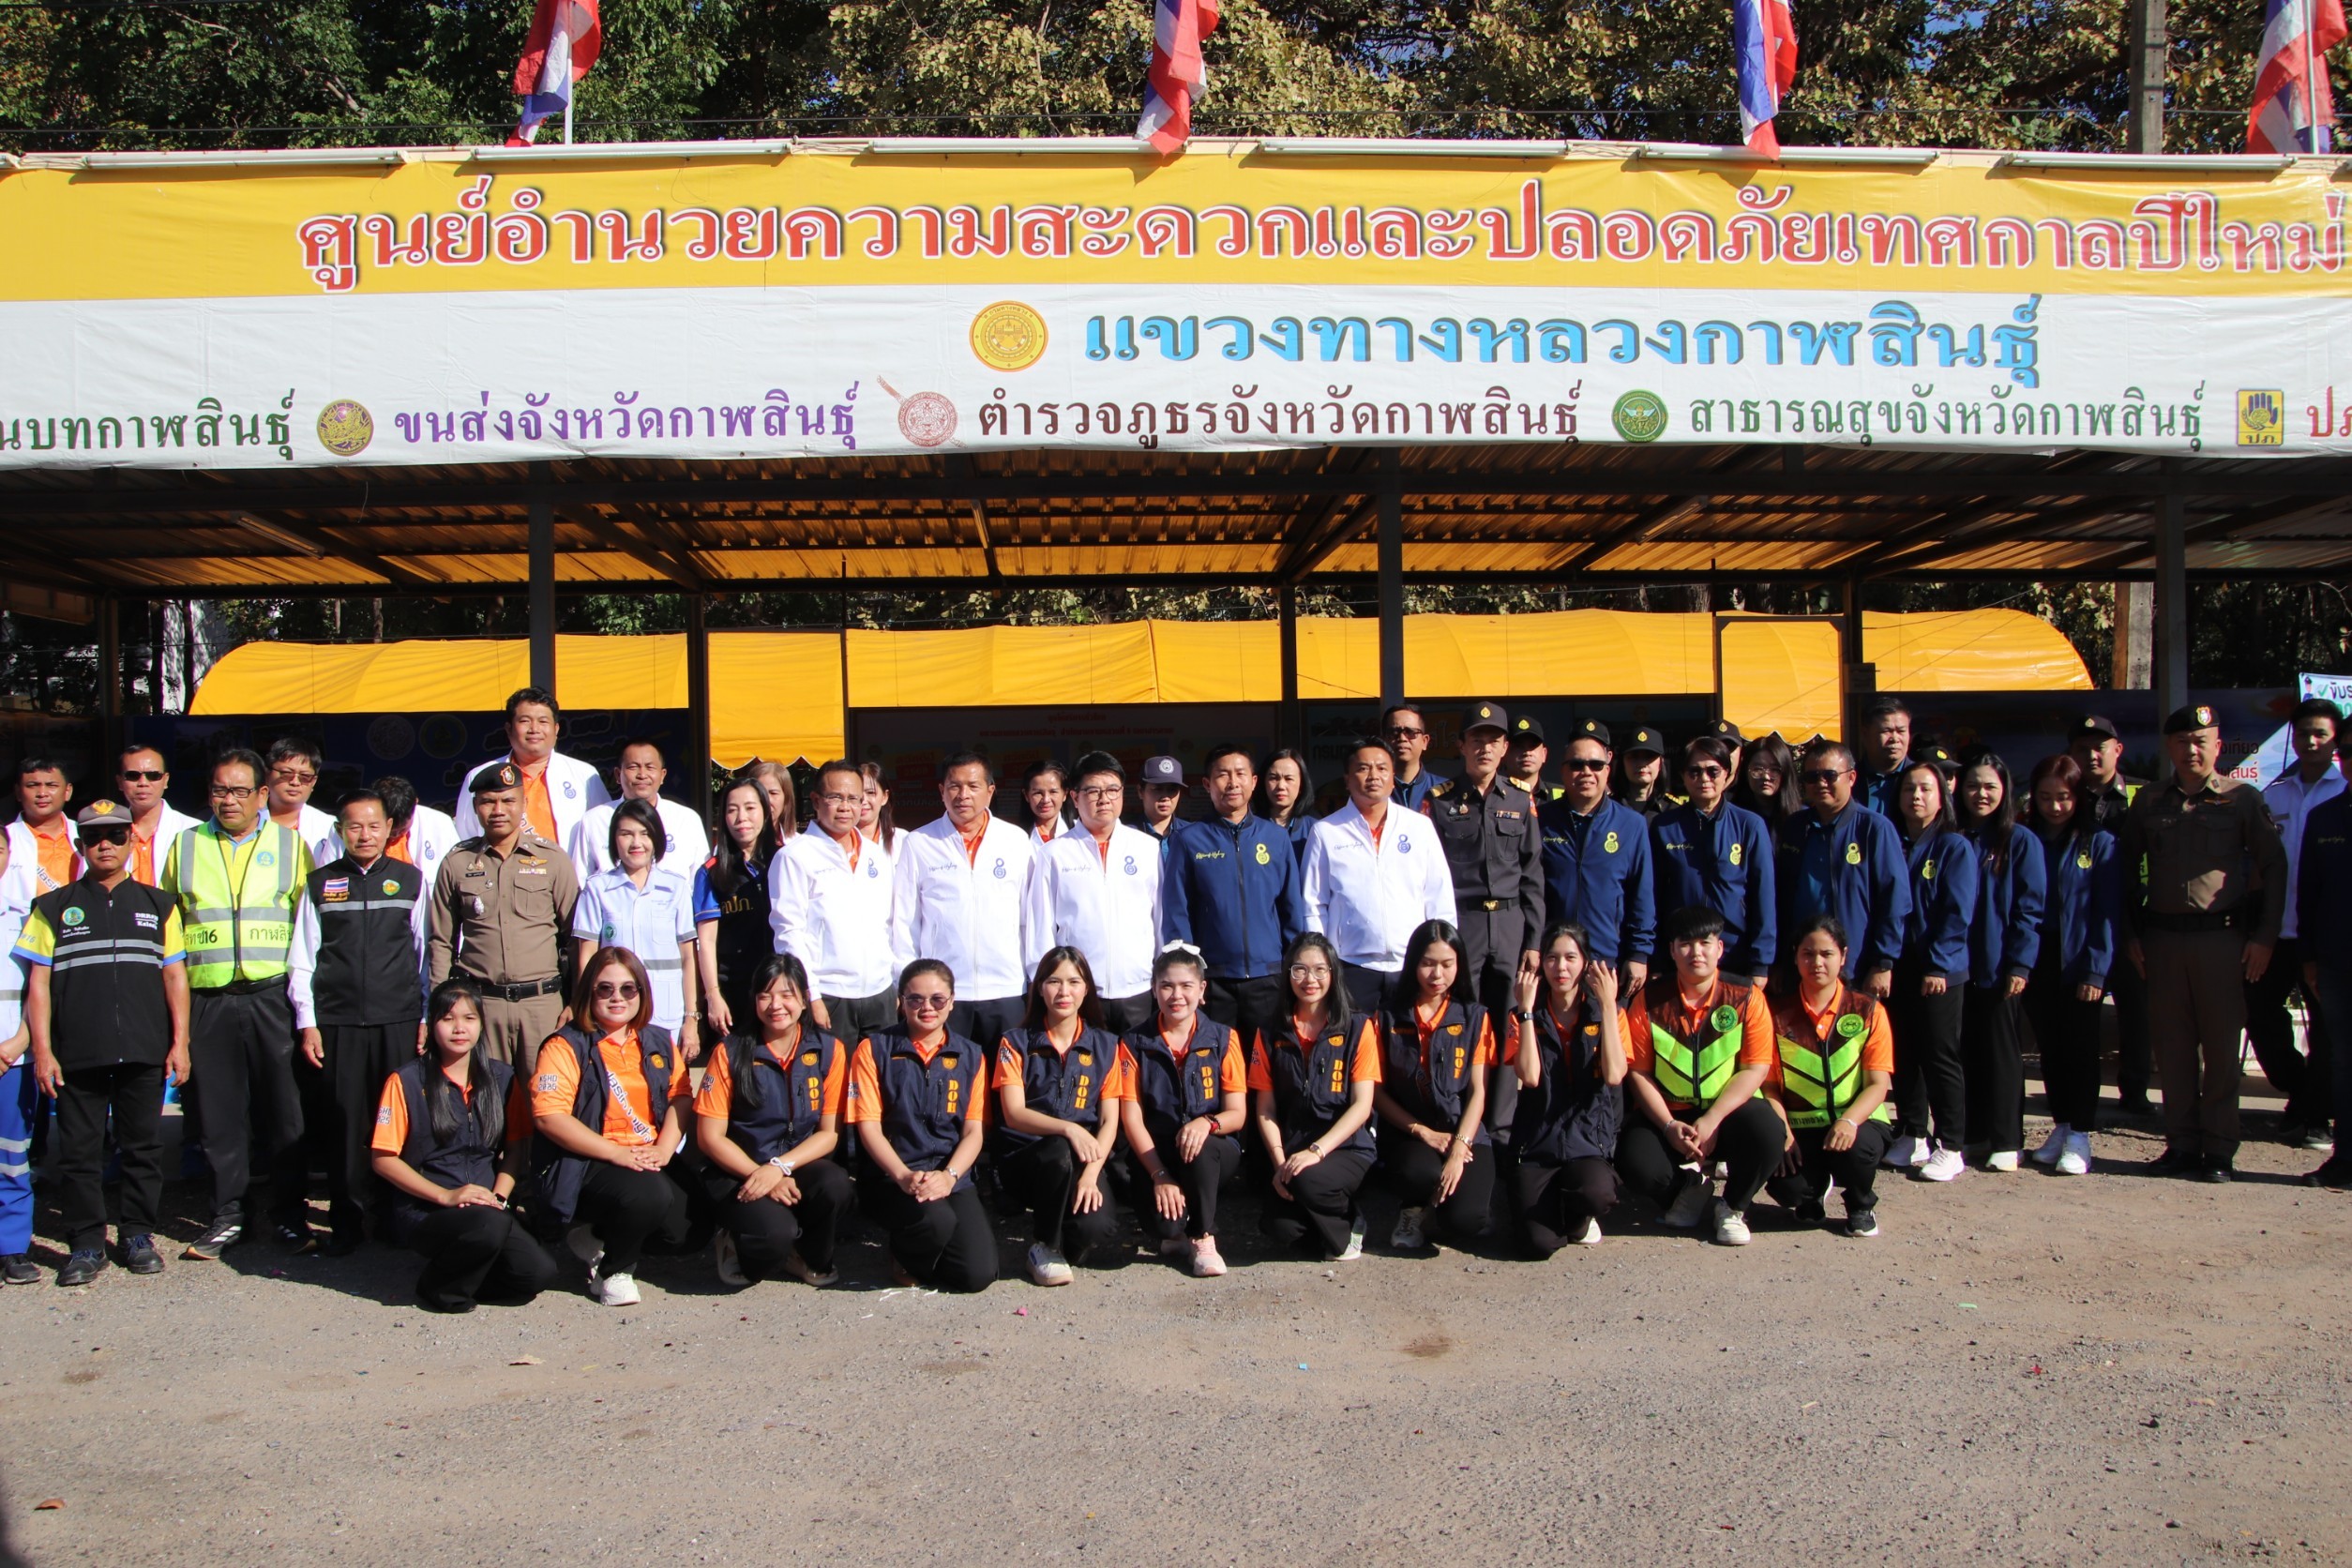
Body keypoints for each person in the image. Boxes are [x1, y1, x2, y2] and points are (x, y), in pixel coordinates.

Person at [15, 801, 189, 1285]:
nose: (105, 845)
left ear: (132, 840)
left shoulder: (160, 904)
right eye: (94, 838)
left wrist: (180, 1043)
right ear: (80, 846)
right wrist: (43, 1051)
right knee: (79, 1154)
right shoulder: (51, 907)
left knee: (142, 1148)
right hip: (77, 1052)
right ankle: (86, 1243)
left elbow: (175, 977)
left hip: (143, 1047)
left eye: (115, 836)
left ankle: (137, 1235)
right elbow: (39, 985)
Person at [2119, 704, 2287, 1182]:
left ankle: (2218, 1149)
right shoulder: (2149, 801)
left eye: (2200, 741)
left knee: (2220, 1050)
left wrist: (2265, 937)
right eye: (2182, 742)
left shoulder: (2243, 799)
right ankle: (2181, 1144)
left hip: (2222, 941)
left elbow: (2274, 866)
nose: (2191, 750)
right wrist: (2131, 933)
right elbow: (2124, 869)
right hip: (2162, 941)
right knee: (2172, 1050)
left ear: (2217, 746)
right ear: (2169, 747)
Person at [163, 746, 314, 1259]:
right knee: (219, 1115)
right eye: (219, 790)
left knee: (285, 1114)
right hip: (208, 997)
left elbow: (307, 926)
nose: (229, 800)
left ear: (262, 795)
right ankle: (228, 1215)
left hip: (272, 996)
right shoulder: (186, 845)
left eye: (240, 791)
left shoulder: (291, 846)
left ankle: (289, 1215)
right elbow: (170, 926)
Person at [287, 786, 431, 1254]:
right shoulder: (320, 883)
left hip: (398, 1020)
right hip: (339, 1022)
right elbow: (303, 958)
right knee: (346, 1124)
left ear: (390, 828)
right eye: (354, 827)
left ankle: (395, 1217)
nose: (365, 835)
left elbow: (425, 955)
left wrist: (425, 1015)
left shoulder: (411, 880)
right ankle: (347, 1221)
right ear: (340, 830)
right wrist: (308, 1022)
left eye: (374, 826)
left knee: (397, 1122)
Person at [369, 978, 557, 1313]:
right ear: (432, 1025)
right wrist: (446, 1196)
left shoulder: (502, 1078)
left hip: (487, 1209)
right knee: (488, 1228)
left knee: (537, 1274)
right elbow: (383, 1158)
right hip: (427, 1209)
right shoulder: (406, 1081)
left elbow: (516, 1148)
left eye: (469, 1018)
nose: (459, 1028)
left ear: (481, 1024)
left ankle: (465, 1271)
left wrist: (499, 1198)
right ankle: (438, 1288)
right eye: (448, 1018)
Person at [531, 945, 695, 1306]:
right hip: (587, 1159)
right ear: (588, 993)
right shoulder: (565, 1045)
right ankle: (614, 1272)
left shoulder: (657, 1039)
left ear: (641, 993)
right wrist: (617, 1154)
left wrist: (664, 1149)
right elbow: (549, 1116)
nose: (617, 997)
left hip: (645, 1153)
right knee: (649, 1196)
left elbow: (681, 1097)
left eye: (627, 988)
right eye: (604, 989)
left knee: (688, 1229)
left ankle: (597, 1237)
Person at [1617, 904, 1784, 1246]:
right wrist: (1668, 1126)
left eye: (1705, 943)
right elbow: (1639, 1073)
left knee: (1769, 1131)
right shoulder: (1649, 999)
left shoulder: (1747, 997)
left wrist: (1713, 1118)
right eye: (1686, 944)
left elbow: (1756, 1068)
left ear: (1719, 948)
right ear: (1672, 950)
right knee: (1634, 1160)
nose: (1696, 952)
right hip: (1671, 1114)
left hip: (1729, 1113)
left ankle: (1733, 1206)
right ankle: (1688, 1190)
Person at [693, 953, 852, 1289]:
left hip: (793, 1164)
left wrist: (779, 1167)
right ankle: (733, 1241)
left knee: (836, 1184)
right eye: (765, 995)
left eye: (786, 995)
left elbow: (829, 1134)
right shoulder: (730, 1051)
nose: (776, 1005)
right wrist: (760, 1173)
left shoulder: (828, 1050)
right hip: (738, 1171)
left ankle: (807, 1254)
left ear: (804, 1000)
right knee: (773, 1237)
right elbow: (709, 1137)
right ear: (753, 1000)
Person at [846, 958, 995, 1292]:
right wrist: (902, 1176)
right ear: (901, 1002)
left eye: (937, 999)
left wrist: (949, 1176)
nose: (927, 1008)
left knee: (977, 1275)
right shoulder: (874, 1049)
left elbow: (973, 1132)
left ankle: (929, 1245)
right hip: (893, 1177)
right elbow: (868, 1127)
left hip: (949, 1174)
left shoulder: (972, 1055)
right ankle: (905, 1251)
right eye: (915, 999)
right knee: (936, 1221)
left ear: (952, 1002)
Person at [428, 762, 580, 1073]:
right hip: (483, 1006)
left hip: (543, 1006)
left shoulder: (552, 859)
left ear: (523, 804)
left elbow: (577, 937)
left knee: (547, 1094)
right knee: (488, 1096)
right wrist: (440, 1008)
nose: (498, 810)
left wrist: (577, 1001)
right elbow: (441, 942)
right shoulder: (457, 862)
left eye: (508, 801)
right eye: (488, 801)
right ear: (475, 807)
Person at [992, 946, 1126, 1286]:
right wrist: (1069, 1128)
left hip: (1083, 1158)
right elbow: (1014, 1113)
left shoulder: (1107, 1045)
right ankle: (1045, 1246)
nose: (1064, 991)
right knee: (1057, 1149)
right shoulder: (1014, 1042)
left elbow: (1109, 1121)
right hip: (1027, 1159)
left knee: (1097, 1227)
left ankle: (1069, 1237)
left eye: (1073, 982)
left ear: (1086, 989)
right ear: (1039, 988)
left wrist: (1091, 1175)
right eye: (1053, 981)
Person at [895, 752, 1044, 1053]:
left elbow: (1032, 918)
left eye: (973, 786)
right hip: (942, 994)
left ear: (990, 790)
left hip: (1006, 988)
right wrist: (907, 983)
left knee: (1007, 1075)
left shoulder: (1015, 840)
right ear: (942, 791)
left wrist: (1035, 978)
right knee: (948, 1076)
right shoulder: (920, 843)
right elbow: (905, 921)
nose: (963, 795)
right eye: (954, 786)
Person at [1116, 943, 1248, 1277]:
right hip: (1157, 1151)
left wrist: (1207, 1123)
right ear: (1154, 989)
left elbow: (1237, 1113)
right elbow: (1132, 1118)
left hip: (1211, 1147)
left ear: (1202, 990)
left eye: (1186, 986)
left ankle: (1203, 1236)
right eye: (1167, 986)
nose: (1177, 995)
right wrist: (1159, 1175)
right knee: (1164, 1226)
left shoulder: (1223, 1038)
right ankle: (1179, 1231)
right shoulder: (1133, 1042)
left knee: (1200, 1148)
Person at [1301, 738, 1457, 1018]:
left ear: (1393, 778)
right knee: (1353, 1041)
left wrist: (1441, 956)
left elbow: (1439, 895)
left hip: (1411, 964)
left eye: (1382, 768)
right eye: (1363, 768)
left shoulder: (1419, 827)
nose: (1373, 776)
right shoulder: (1326, 831)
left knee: (1408, 1041)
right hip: (1351, 966)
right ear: (1347, 779)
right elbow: (1313, 903)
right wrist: (1322, 960)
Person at [1250, 931, 1381, 1261]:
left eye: (1320, 969)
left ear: (1333, 974)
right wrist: (1279, 1162)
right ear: (1288, 974)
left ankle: (1348, 1228)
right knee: (1279, 1227)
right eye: (1300, 970)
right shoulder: (1270, 1031)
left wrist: (1317, 1151)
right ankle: (1320, 1219)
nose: (1310, 979)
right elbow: (1265, 1108)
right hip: (1293, 1148)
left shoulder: (1358, 1027)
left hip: (1346, 1146)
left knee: (1309, 1182)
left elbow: (1362, 1105)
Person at [1762, 916, 1896, 1237]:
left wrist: (1849, 1121)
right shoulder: (1774, 1014)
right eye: (1808, 954)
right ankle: (1813, 1193)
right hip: (1801, 1126)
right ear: (1796, 957)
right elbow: (1768, 1086)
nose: (1817, 963)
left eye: (1827, 954)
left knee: (1856, 1151)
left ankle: (1860, 1205)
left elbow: (1878, 1084)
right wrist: (1783, 1132)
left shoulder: (1868, 1010)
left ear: (1843, 956)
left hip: (1857, 1122)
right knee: (1786, 1186)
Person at [1164, 745, 1304, 1048]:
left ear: (1254, 782)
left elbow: (1291, 908)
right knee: (1214, 1061)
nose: (1232, 782)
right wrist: (1188, 974)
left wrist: (1294, 967)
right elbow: (1177, 911)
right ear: (1207, 784)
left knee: (1267, 1062)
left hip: (1268, 977)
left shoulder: (1276, 838)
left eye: (1240, 774)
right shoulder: (1188, 840)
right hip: (1213, 980)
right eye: (1223, 775)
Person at [2251, 698, 2344, 1146]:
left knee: (2327, 1030)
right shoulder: (2275, 795)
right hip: (2277, 931)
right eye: (2303, 733)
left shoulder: (2342, 794)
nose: (2310, 742)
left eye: (2320, 734)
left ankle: (2315, 1115)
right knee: (2260, 1016)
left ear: (2335, 742)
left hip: (2324, 936)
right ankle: (2301, 1089)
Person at [1501, 921, 1624, 1254]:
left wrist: (1608, 1005)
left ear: (1585, 963)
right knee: (1538, 1244)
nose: (1561, 967)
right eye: (1552, 958)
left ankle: (1578, 1217)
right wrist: (1526, 1012)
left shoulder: (1607, 1011)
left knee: (1596, 1194)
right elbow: (1529, 1077)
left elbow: (1614, 1074)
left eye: (1571, 957)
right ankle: (1547, 1205)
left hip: (1587, 1140)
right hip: (1537, 1142)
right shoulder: (1523, 1014)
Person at [1373, 919, 1495, 1251]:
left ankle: (1439, 1212)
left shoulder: (1475, 1017)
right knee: (1418, 1174)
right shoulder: (1387, 1016)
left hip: (1462, 1130)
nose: (1437, 974)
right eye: (1428, 963)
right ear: (1413, 963)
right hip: (1410, 1134)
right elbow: (1377, 1094)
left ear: (1459, 965)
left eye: (1447, 964)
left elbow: (1478, 1092)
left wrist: (1459, 1148)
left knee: (1467, 1220)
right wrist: (1423, 1132)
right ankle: (1412, 1209)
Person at [2024, 754, 2118, 1178]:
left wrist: (2096, 970)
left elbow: (2106, 912)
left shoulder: (2098, 843)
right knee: (2050, 1047)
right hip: (2036, 957)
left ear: (2078, 797)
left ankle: (2081, 1132)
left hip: (2079, 959)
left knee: (2080, 1048)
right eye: (2045, 797)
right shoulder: (2026, 838)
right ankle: (2062, 1125)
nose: (2055, 806)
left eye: (2063, 797)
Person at [1885, 758, 1979, 1183]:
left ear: (1942, 797)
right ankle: (1912, 1131)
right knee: (1904, 1053)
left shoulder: (1954, 847)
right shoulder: (1895, 841)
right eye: (1909, 789)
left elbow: (1957, 914)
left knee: (1939, 1055)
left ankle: (1951, 1144)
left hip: (1940, 969)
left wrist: (1938, 964)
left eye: (1925, 789)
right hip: (1899, 966)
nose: (1916, 796)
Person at [1425, 701, 1546, 1023]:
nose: (1485, 749)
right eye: (1477, 741)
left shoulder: (1521, 798)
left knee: (1511, 1015)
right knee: (1462, 1014)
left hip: (1510, 924)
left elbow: (1532, 874)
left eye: (1494, 742)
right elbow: (1428, 876)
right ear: (1461, 745)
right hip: (1464, 922)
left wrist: (1533, 941)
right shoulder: (1440, 801)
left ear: (1505, 748)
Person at [770, 760, 905, 1041]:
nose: (846, 807)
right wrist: (811, 994)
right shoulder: (794, 857)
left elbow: (890, 924)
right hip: (829, 994)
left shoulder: (876, 855)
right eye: (836, 797)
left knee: (879, 1069)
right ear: (816, 801)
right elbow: (789, 933)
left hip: (880, 993)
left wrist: (896, 984)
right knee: (832, 1070)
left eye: (854, 798)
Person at [1955, 751, 2044, 1172]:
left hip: (1999, 965)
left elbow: (2030, 909)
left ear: (2005, 790)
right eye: (1973, 785)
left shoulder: (2020, 841)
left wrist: (2020, 965)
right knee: (1966, 1051)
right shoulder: (1955, 836)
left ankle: (2008, 1139)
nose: (1981, 794)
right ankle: (1974, 1134)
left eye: (1990, 786)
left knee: (2002, 1054)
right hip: (1958, 966)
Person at [1030, 753, 1165, 1032]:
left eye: (1112, 790)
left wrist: (1162, 973)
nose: (1104, 799)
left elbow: (1160, 917)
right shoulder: (1054, 853)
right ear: (1074, 797)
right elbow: (1040, 927)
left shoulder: (1146, 848)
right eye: (1093, 791)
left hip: (1137, 987)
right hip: (1079, 991)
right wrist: (1044, 983)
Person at [1776, 740, 1909, 998]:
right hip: (1802, 964)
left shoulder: (1874, 828)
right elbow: (1782, 897)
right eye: (1812, 777)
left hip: (1856, 967)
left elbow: (1895, 900)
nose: (1821, 783)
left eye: (1830, 775)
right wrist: (1780, 960)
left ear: (1851, 777)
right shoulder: (1795, 827)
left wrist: (1883, 962)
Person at [2070, 714, 2154, 1115]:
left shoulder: (2144, 796)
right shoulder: (2063, 797)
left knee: (2136, 1011)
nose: (2091, 755)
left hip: (2131, 921)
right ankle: (2078, 1092)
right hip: (2080, 921)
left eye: (2099, 748)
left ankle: (2135, 1090)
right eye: (2082, 749)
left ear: (2118, 750)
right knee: (2079, 1011)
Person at [572, 797, 701, 1056]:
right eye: (626, 834)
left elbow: (688, 958)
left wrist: (691, 1019)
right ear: (614, 840)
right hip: (613, 1013)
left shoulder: (675, 888)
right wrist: (586, 1008)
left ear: (657, 839)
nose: (636, 842)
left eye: (645, 833)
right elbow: (587, 956)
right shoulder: (597, 889)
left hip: (665, 1015)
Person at [1537, 719, 1653, 991]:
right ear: (1563, 770)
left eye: (1596, 765)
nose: (1586, 772)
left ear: (1607, 770)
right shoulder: (1540, 820)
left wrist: (1639, 953)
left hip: (1607, 961)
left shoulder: (1631, 824)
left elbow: (1641, 895)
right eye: (1577, 764)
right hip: (1554, 962)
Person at [1650, 735, 1774, 985]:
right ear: (1683, 776)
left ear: (1727, 774)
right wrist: (1655, 959)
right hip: (1682, 955)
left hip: (1734, 955)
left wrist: (1760, 964)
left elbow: (1764, 897)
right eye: (1694, 771)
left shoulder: (1749, 826)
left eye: (1712, 771)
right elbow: (1653, 897)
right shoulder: (1664, 827)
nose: (1704, 778)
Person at [455, 686, 612, 848]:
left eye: (543, 721)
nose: (534, 729)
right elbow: (465, 835)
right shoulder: (481, 776)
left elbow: (603, 829)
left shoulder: (584, 774)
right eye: (525, 721)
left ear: (556, 729)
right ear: (509, 729)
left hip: (565, 864)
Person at [2296, 788, 2352, 1186]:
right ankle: (2346, 1158)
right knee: (2343, 1063)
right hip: (2337, 960)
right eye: (2347, 756)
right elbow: (2309, 890)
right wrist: (2309, 957)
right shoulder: (2325, 816)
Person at [694, 777, 777, 1041]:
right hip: (733, 992)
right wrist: (713, 995)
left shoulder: (785, 861)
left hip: (780, 990)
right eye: (732, 810)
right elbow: (706, 941)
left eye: (750, 808)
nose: (742, 818)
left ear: (766, 811)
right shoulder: (710, 873)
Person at [571, 738, 711, 882]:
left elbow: (701, 879)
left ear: (662, 775)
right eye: (633, 767)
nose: (642, 775)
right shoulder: (594, 820)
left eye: (650, 767)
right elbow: (581, 879)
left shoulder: (687, 819)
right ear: (618, 775)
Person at [114, 744, 201, 887]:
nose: (143, 783)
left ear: (166, 780)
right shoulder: (107, 832)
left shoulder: (194, 830)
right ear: (119, 782)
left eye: (153, 776)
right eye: (132, 776)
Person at [264, 735, 345, 866]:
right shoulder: (247, 820)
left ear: (314, 781)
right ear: (267, 774)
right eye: (286, 773)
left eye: (305, 776)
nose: (295, 782)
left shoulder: (328, 825)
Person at [374, 775, 460, 892]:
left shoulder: (441, 823)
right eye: (390, 831)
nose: (395, 835)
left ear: (415, 803)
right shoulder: (361, 826)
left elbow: (456, 872)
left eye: (401, 830)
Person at [8, 757, 78, 896]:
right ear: (18, 792)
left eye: (51, 785)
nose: (42, 793)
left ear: (67, 791)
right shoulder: (5, 840)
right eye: (32, 785)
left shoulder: (86, 834)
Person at [1383, 702, 1449, 812]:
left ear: (1425, 741)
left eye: (1410, 732)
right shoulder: (1373, 790)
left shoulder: (1447, 791)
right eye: (1394, 732)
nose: (1402, 738)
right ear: (1384, 741)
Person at [1856, 697, 1915, 816]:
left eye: (1901, 731)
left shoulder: (1923, 780)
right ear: (1865, 734)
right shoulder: (1849, 780)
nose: (1895, 739)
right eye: (1886, 731)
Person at [1259, 747, 1319, 857]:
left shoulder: (1315, 830)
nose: (1281, 786)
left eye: (1289, 779)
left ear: (1301, 785)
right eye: (1274, 778)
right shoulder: (1250, 829)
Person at [1733, 732, 1799, 826]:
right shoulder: (1733, 817)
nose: (1766, 777)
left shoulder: (1801, 819)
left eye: (1774, 770)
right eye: (1758, 769)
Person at [1611, 727, 1674, 820]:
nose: (1641, 764)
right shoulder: (1608, 809)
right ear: (1622, 763)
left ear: (1661, 763)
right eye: (1634, 757)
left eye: (1649, 757)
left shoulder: (1673, 811)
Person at [1505, 715, 1560, 803]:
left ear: (1544, 754)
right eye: (1519, 746)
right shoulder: (1493, 795)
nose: (1527, 753)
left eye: (1533, 746)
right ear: (1504, 752)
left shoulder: (1563, 796)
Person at [1021, 759, 1073, 849]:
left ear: (1065, 794)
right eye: (1038, 793)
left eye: (1053, 792)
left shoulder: (1082, 833)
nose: (1045, 800)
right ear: (1026, 795)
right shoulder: (1014, 836)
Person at [1137, 755, 1187, 843]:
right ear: (1141, 792)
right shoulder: (1125, 834)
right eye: (1157, 789)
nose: (1165, 797)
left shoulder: (1193, 834)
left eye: (1172, 790)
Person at [745, 760, 799, 839]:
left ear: (786, 798)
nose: (767, 800)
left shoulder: (799, 844)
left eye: (773, 793)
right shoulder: (734, 844)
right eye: (759, 792)